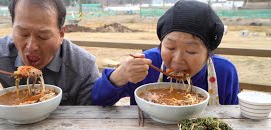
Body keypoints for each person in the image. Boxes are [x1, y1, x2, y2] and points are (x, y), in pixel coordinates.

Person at [0, 0, 100, 105]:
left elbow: (90, 119)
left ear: (61, 34)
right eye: (23, 33)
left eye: (43, 36)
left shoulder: (83, 66)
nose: (31, 46)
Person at [92, 0, 239, 106]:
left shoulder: (224, 72)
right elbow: (97, 100)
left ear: (209, 52)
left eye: (191, 51)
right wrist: (120, 75)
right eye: (170, 47)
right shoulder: (147, 64)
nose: (177, 60)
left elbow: (231, 117)